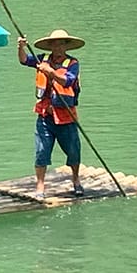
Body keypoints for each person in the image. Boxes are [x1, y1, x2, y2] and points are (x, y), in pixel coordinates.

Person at [18, 29, 84, 200]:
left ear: (66, 45)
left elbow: (67, 81)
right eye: (55, 43)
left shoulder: (72, 63)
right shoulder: (42, 59)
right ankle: (40, 186)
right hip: (45, 115)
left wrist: (51, 72)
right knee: (41, 151)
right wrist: (21, 47)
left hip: (66, 116)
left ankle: (76, 180)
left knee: (73, 151)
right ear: (51, 45)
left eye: (61, 43)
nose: (58, 46)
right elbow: (24, 60)